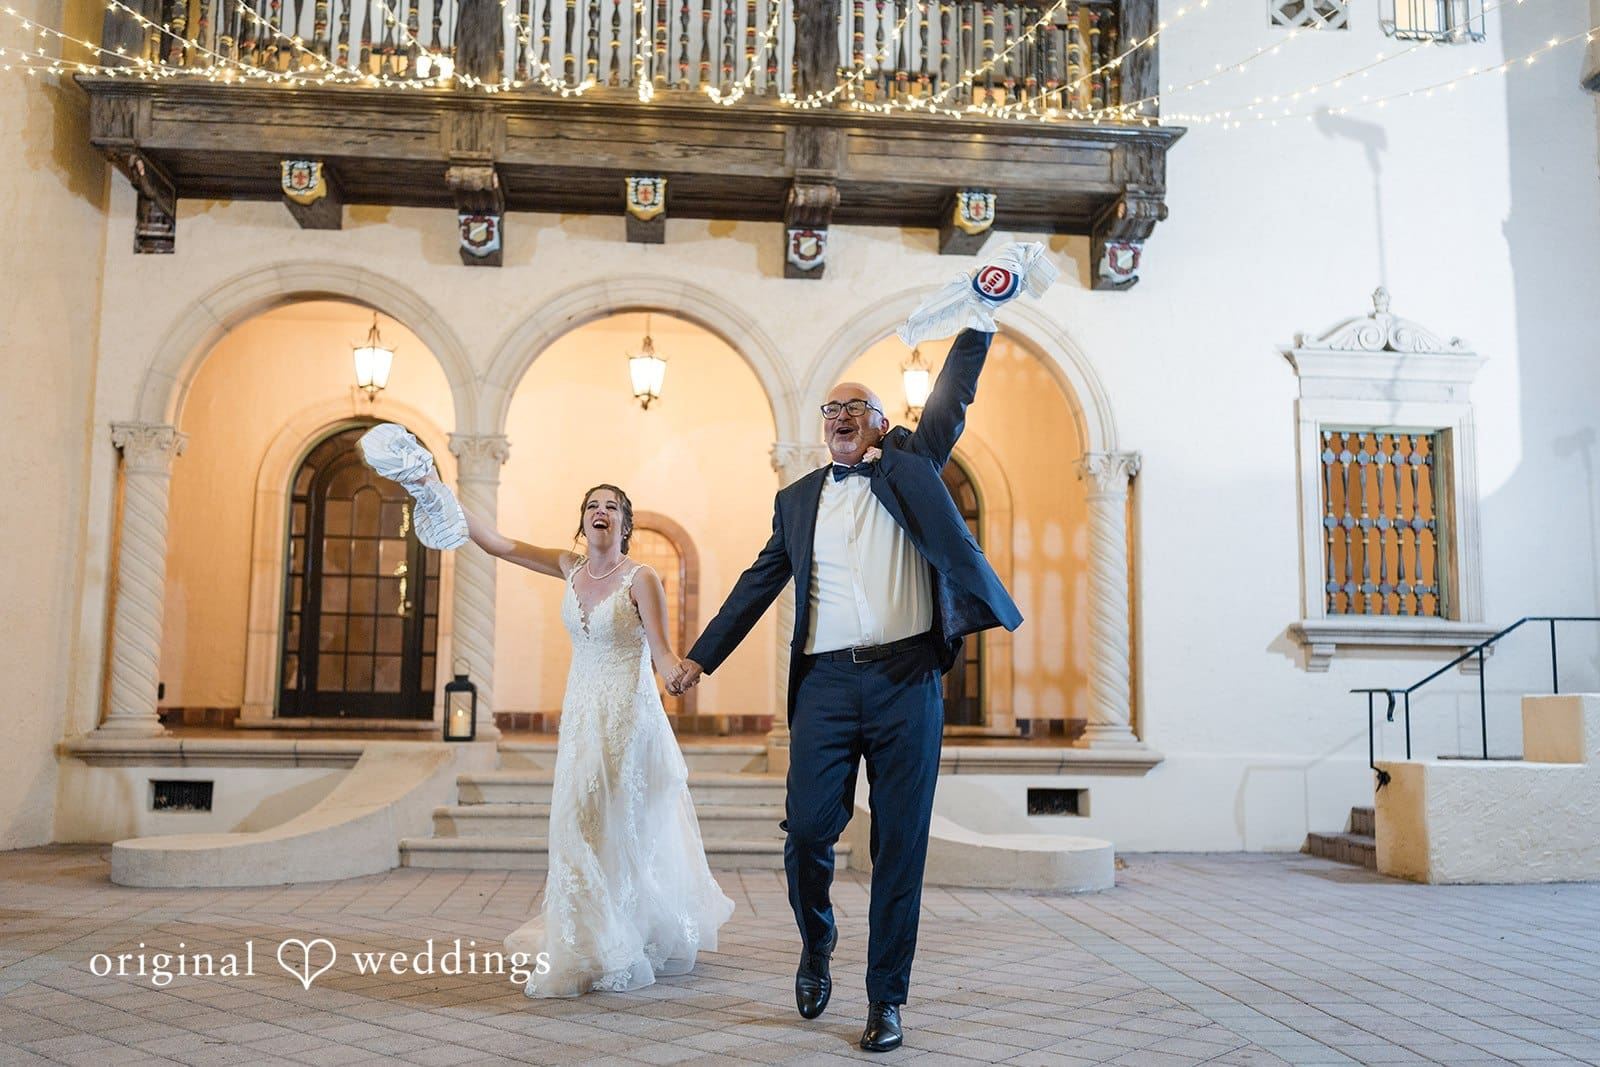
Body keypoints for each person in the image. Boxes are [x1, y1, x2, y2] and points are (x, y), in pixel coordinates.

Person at [673, 326, 1024, 1052]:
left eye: (855, 406)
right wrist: (701, 659)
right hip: (827, 683)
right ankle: (817, 941)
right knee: (807, 830)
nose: (840, 415)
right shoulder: (797, 500)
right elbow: (756, 585)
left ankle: (886, 999)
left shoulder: (912, 467)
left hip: (907, 679)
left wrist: (979, 316)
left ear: (881, 424)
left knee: (900, 843)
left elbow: (952, 398)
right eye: (831, 407)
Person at [436, 474, 734, 997]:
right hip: (581, 716)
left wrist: (679, 673)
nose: (602, 511)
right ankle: (584, 937)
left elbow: (661, 651)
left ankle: (615, 936)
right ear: (582, 521)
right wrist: (440, 494)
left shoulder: (641, 578)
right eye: (593, 505)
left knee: (609, 824)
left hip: (626, 717)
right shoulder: (567, 567)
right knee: (575, 822)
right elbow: (500, 544)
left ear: (625, 524)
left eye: (612, 506)